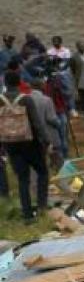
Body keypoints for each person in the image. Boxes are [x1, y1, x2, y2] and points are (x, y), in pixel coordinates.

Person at [1, 68, 52, 221]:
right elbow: (37, 123)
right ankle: (42, 206)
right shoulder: (26, 99)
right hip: (30, 143)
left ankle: (27, 214)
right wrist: (46, 140)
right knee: (42, 172)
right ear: (19, 83)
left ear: (5, 83)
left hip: (10, 143)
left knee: (23, 178)